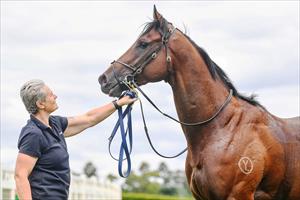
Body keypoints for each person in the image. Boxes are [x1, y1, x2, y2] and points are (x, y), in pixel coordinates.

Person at [14, 79, 136, 200]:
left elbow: (89, 119)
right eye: (51, 95)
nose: (55, 96)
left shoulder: (55, 124)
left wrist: (119, 103)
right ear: (40, 104)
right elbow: (20, 176)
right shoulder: (33, 134)